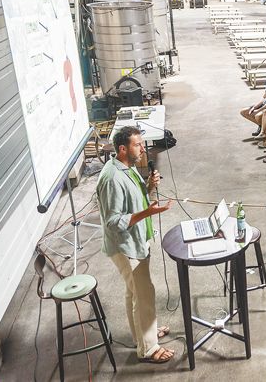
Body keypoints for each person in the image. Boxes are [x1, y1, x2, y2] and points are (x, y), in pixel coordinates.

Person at [96, 126, 174, 364]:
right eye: (138, 144)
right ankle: (148, 348)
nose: (143, 148)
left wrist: (149, 186)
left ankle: (143, 335)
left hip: (135, 240)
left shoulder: (127, 168)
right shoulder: (112, 178)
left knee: (134, 294)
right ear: (122, 148)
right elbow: (113, 222)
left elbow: (136, 199)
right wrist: (148, 212)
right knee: (144, 293)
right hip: (125, 247)